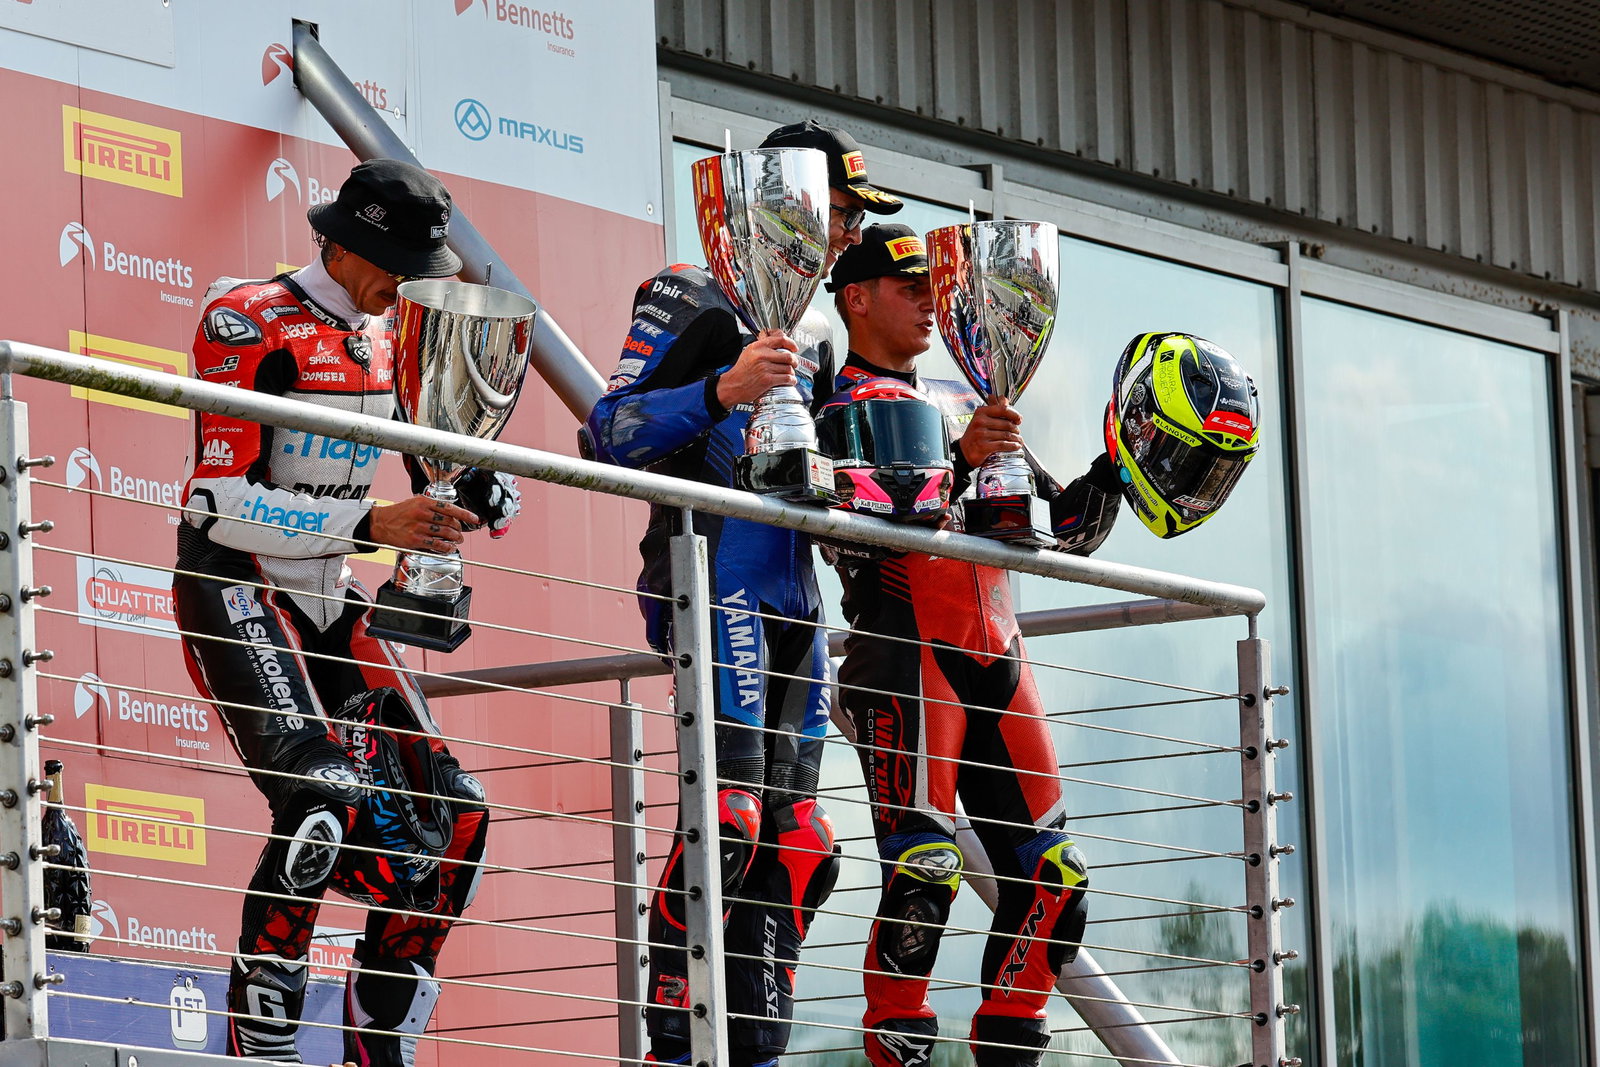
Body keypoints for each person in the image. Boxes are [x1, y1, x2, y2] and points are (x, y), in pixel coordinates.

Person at [173, 158, 519, 1064]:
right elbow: (213, 499)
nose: (409, 283)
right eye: (398, 263)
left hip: (331, 590)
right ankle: (266, 1041)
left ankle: (379, 1035)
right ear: (347, 242)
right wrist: (374, 521)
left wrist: (475, 485)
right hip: (237, 580)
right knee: (324, 791)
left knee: (461, 814)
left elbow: (429, 456)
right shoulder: (246, 316)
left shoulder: (391, 335)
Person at [584, 120, 901, 1066]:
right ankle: (674, 1047)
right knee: (729, 822)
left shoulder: (817, 328)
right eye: (840, 211)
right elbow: (606, 433)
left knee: (799, 841)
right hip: (708, 576)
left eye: (852, 217)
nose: (848, 232)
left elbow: (833, 470)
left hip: (798, 603)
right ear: (784, 201)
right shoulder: (691, 293)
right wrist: (721, 391)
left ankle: (755, 1050)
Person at [823, 223, 1122, 1067]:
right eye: (908, 286)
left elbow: (1066, 527)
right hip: (902, 651)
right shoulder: (838, 399)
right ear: (857, 298)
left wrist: (1120, 465)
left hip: (999, 657)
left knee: (1057, 877)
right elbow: (864, 524)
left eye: (932, 286)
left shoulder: (969, 393)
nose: (929, 300)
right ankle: (897, 1049)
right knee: (925, 869)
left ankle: (1009, 1051)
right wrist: (958, 458)